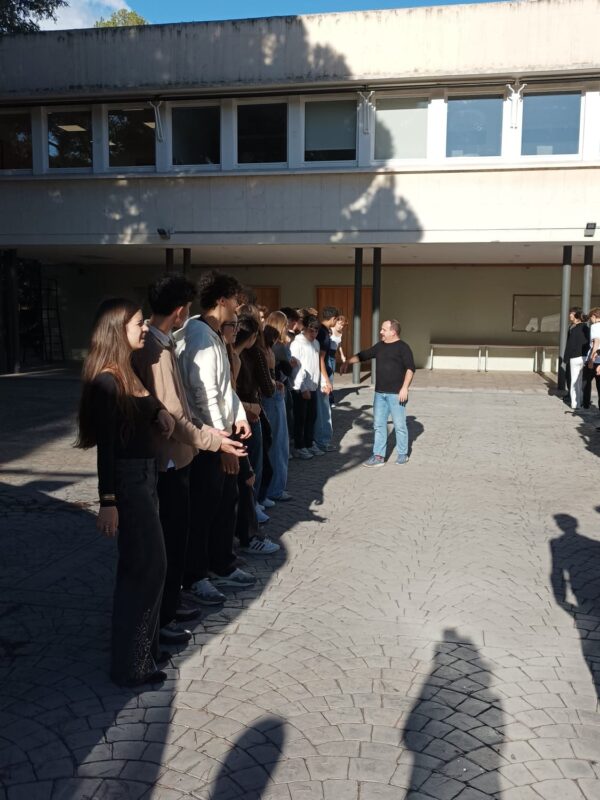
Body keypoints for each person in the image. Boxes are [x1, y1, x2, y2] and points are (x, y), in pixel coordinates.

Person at [132, 275, 246, 641]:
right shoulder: (156, 348)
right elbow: (182, 411)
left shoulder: (168, 342)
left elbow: (191, 404)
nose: (139, 329)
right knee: (173, 535)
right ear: (181, 311)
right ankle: (165, 614)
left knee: (181, 531)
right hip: (170, 458)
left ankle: (172, 602)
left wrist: (218, 431)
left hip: (187, 449)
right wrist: (215, 441)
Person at [76, 298, 175, 687]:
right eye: (139, 323)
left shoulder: (127, 371)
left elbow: (146, 404)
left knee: (147, 566)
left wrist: (160, 413)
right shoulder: (107, 381)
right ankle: (131, 665)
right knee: (146, 568)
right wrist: (108, 502)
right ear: (118, 330)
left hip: (146, 479)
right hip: (129, 484)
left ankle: (144, 651)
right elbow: (107, 449)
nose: (145, 328)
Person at [175, 270, 256, 596]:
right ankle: (197, 574)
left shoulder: (211, 334)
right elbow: (205, 395)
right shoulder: (200, 337)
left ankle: (221, 563)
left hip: (219, 434)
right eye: (234, 300)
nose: (237, 307)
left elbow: (225, 388)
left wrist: (239, 416)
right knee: (205, 509)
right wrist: (222, 444)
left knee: (225, 502)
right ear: (221, 300)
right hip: (208, 439)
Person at [222, 316, 280, 555]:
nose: (234, 331)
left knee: (245, 478)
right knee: (244, 479)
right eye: (231, 326)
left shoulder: (233, 354)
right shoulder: (229, 355)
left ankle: (243, 533)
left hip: (238, 422)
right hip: (227, 430)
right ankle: (246, 536)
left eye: (237, 326)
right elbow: (225, 396)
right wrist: (247, 407)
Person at [342, 319, 415, 467]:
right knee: (379, 425)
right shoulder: (380, 346)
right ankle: (379, 456)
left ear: (393, 332)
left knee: (399, 425)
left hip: (396, 394)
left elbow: (410, 369)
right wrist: (348, 362)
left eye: (383, 329)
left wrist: (404, 388)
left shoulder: (403, 347)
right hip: (380, 394)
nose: (380, 332)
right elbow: (363, 355)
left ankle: (402, 454)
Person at [263, 311, 293, 502]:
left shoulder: (266, 344)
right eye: (286, 325)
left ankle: (271, 489)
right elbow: (287, 367)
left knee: (274, 444)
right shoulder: (276, 346)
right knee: (278, 444)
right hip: (273, 395)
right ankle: (275, 489)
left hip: (273, 392)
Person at [289, 315, 322, 459]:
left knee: (311, 417)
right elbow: (295, 368)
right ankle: (299, 446)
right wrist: (302, 388)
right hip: (300, 387)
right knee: (300, 418)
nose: (314, 334)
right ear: (304, 328)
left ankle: (309, 443)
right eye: (311, 331)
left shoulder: (316, 343)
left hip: (313, 386)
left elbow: (315, 364)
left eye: (316, 331)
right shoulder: (297, 344)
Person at [313, 306, 339, 453]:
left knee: (322, 409)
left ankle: (321, 440)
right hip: (322, 376)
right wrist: (326, 380)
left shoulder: (320, 330)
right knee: (324, 410)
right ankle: (323, 441)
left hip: (320, 374)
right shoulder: (323, 333)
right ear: (333, 318)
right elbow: (321, 358)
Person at [562, 307, 590, 410]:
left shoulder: (573, 329)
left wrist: (566, 358)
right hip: (584, 357)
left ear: (576, 315)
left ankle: (575, 404)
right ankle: (581, 401)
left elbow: (570, 345)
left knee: (574, 381)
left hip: (574, 358)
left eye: (571, 313)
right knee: (580, 381)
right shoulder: (586, 328)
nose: (569, 315)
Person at [328, 314, 347, 405]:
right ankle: (330, 399)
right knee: (329, 377)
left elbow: (339, 346)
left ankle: (329, 398)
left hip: (333, 356)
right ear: (335, 322)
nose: (340, 326)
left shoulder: (341, 333)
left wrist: (342, 355)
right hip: (327, 354)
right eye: (339, 324)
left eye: (342, 325)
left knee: (331, 376)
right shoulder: (330, 330)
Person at [583, 307, 600, 409]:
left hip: (595, 359)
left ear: (594, 316)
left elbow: (596, 343)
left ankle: (585, 403)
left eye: (591, 318)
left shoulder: (595, 326)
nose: (590, 320)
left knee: (585, 381)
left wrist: (591, 360)